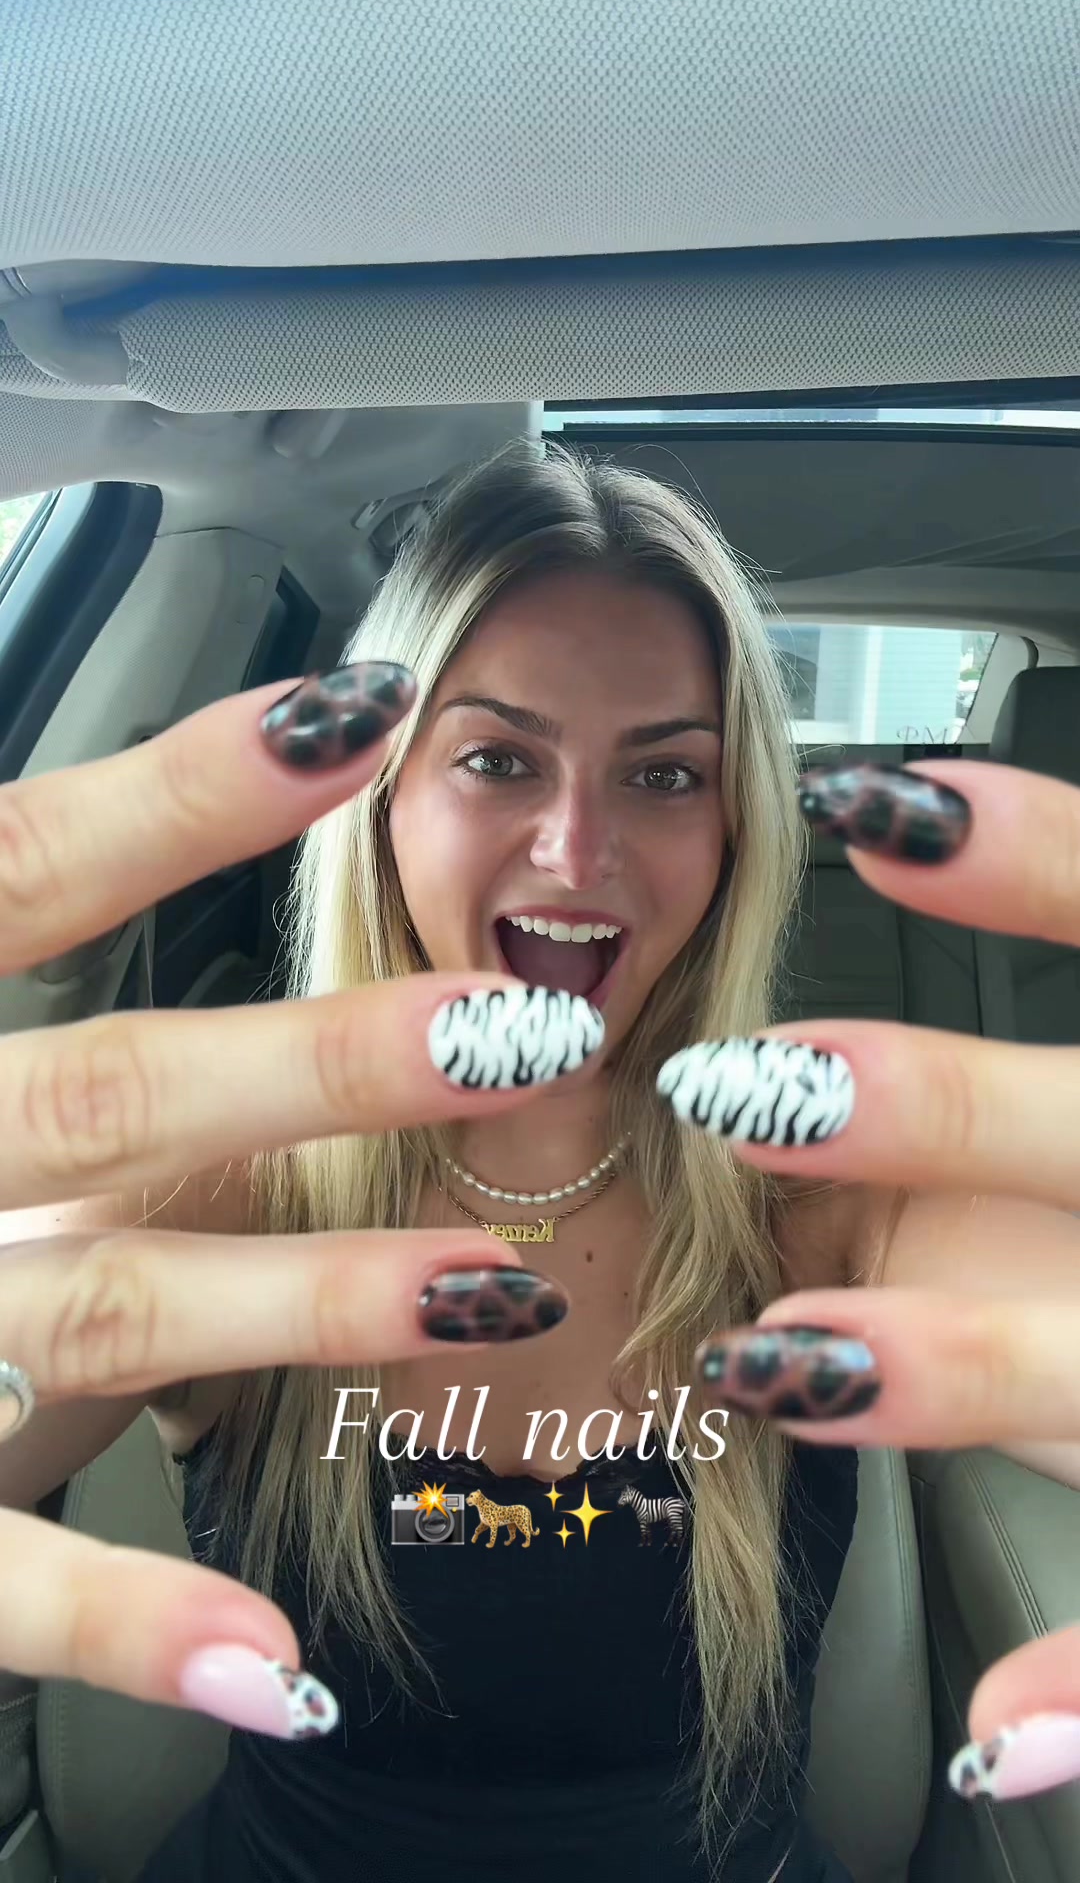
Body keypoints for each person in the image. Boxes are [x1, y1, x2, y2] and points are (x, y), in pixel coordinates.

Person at [0, 441, 1078, 1883]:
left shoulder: (827, 1194)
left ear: (734, 829)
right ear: (382, 799)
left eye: (665, 774)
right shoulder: (220, 1190)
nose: (578, 852)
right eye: (498, 759)